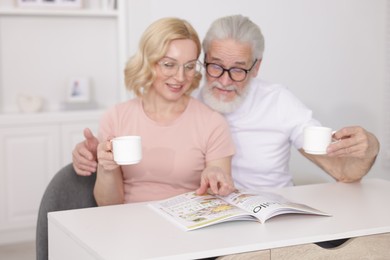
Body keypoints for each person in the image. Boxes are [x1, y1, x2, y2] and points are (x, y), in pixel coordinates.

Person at [73, 14, 379, 192]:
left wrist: (369, 148)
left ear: (256, 67)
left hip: (267, 213)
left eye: (239, 69)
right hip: (209, 217)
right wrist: (91, 155)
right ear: (203, 62)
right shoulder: (182, 94)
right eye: (215, 66)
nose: (224, 80)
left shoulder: (279, 102)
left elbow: (343, 171)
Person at [92, 17, 235, 206]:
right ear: (148, 62)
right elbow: (107, 205)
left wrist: (215, 178)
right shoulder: (116, 117)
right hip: (129, 223)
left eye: (190, 66)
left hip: (185, 224)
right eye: (169, 64)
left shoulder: (212, 123)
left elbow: (220, 195)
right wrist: (106, 169)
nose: (180, 77)